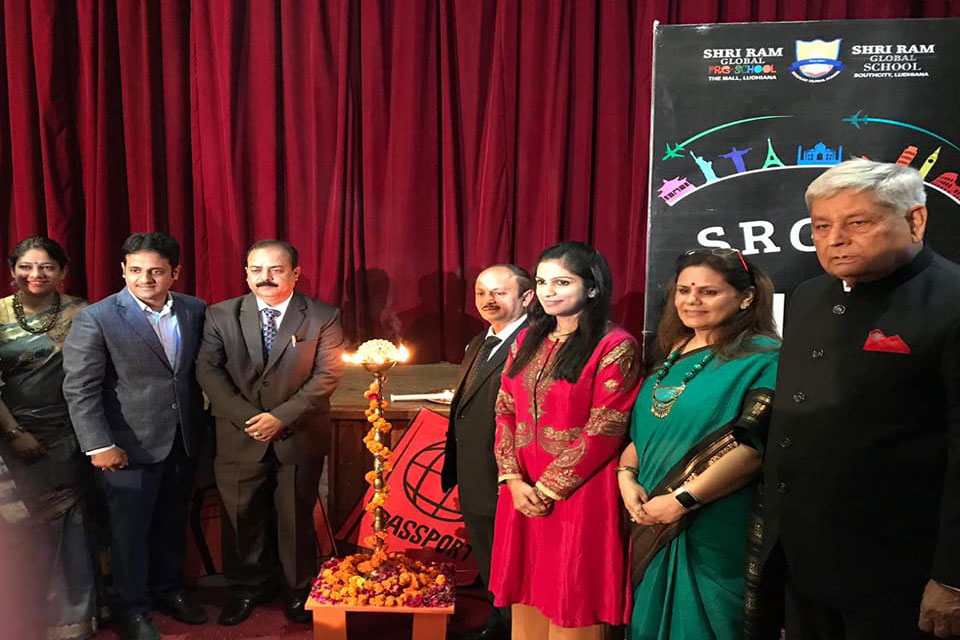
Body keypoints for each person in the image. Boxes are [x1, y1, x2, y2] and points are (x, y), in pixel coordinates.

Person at [762, 159, 960, 639]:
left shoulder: (953, 299)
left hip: (903, 572)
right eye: (821, 226)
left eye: (857, 223)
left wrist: (953, 577)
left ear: (915, 220)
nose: (835, 239)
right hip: (804, 563)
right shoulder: (808, 296)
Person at [619, 249, 779, 640]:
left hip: (713, 519)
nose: (692, 300)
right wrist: (626, 475)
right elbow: (646, 429)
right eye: (684, 290)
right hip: (650, 513)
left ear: (746, 298)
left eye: (708, 292)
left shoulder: (765, 358)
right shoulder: (672, 352)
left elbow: (753, 449)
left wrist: (683, 500)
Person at [489, 241, 642, 640]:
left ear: (592, 287)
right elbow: (505, 408)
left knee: (572, 594)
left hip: (579, 493)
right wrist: (513, 478)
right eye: (542, 282)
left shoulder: (614, 345)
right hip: (522, 487)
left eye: (562, 282)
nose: (548, 291)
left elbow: (606, 426)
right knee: (527, 593)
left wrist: (547, 489)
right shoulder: (527, 340)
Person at [63, 232, 208, 640]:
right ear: (123, 271)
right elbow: (80, 388)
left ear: (175, 273)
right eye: (136, 270)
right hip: (123, 448)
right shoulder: (97, 317)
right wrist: (99, 445)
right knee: (128, 534)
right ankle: (132, 609)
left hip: (182, 440)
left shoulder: (195, 310)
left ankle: (169, 590)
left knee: (171, 524)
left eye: (156, 271)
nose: (146, 279)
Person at [196, 239, 344, 625]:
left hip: (298, 434)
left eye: (276, 270)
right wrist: (250, 418)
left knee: (295, 517)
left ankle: (298, 590)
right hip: (238, 434)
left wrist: (281, 417)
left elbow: (327, 374)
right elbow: (207, 370)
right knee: (240, 516)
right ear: (246, 274)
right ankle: (246, 589)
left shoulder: (323, 315)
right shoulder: (220, 314)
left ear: (295, 273)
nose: (266, 277)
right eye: (257, 270)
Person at [0, 237, 96, 640]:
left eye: (46, 267)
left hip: (67, 436)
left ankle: (70, 620)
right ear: (12, 270)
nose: (35, 274)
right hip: (11, 438)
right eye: (26, 266)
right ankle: (21, 615)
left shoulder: (83, 313)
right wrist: (14, 432)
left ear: (62, 272)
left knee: (68, 526)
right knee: (20, 529)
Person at [441, 264, 534, 640]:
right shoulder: (479, 342)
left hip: (508, 473)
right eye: (481, 293)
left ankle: (515, 630)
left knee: (511, 560)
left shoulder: (535, 343)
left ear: (527, 297)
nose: (488, 300)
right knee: (488, 554)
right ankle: (498, 623)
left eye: (499, 292)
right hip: (474, 470)